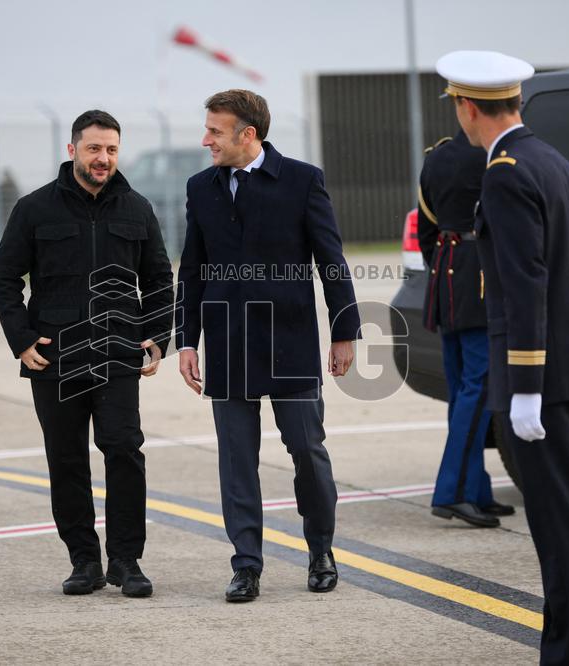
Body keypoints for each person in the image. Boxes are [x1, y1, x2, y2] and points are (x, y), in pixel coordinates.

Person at [436, 51, 569, 664]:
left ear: (466, 107)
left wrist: (528, 385)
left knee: (559, 529)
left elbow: (524, 283)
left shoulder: (507, 173)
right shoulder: (553, 161)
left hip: (541, 381)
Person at [177, 89, 361, 602]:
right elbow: (191, 270)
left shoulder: (302, 180)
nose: (206, 139)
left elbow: (331, 260)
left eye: (215, 131)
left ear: (247, 134)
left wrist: (345, 331)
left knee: (307, 450)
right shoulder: (201, 187)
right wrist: (185, 340)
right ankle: (246, 565)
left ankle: (320, 549)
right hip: (229, 341)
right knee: (237, 460)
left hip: (291, 340)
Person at [0, 110, 174, 598]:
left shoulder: (137, 209)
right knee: (66, 459)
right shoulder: (34, 210)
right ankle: (84, 561)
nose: (104, 158)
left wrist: (157, 336)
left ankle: (126, 560)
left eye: (112, 149)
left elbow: (159, 279)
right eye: (94, 148)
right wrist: (22, 339)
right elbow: (5, 277)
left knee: (124, 451)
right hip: (54, 356)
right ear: (72, 150)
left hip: (117, 355)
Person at [417, 130, 515, 528]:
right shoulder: (495, 157)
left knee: (463, 391)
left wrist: (446, 273)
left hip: (446, 277)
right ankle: (454, 493)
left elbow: (427, 231)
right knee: (478, 388)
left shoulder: (437, 156)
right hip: (479, 280)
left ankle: (475, 489)